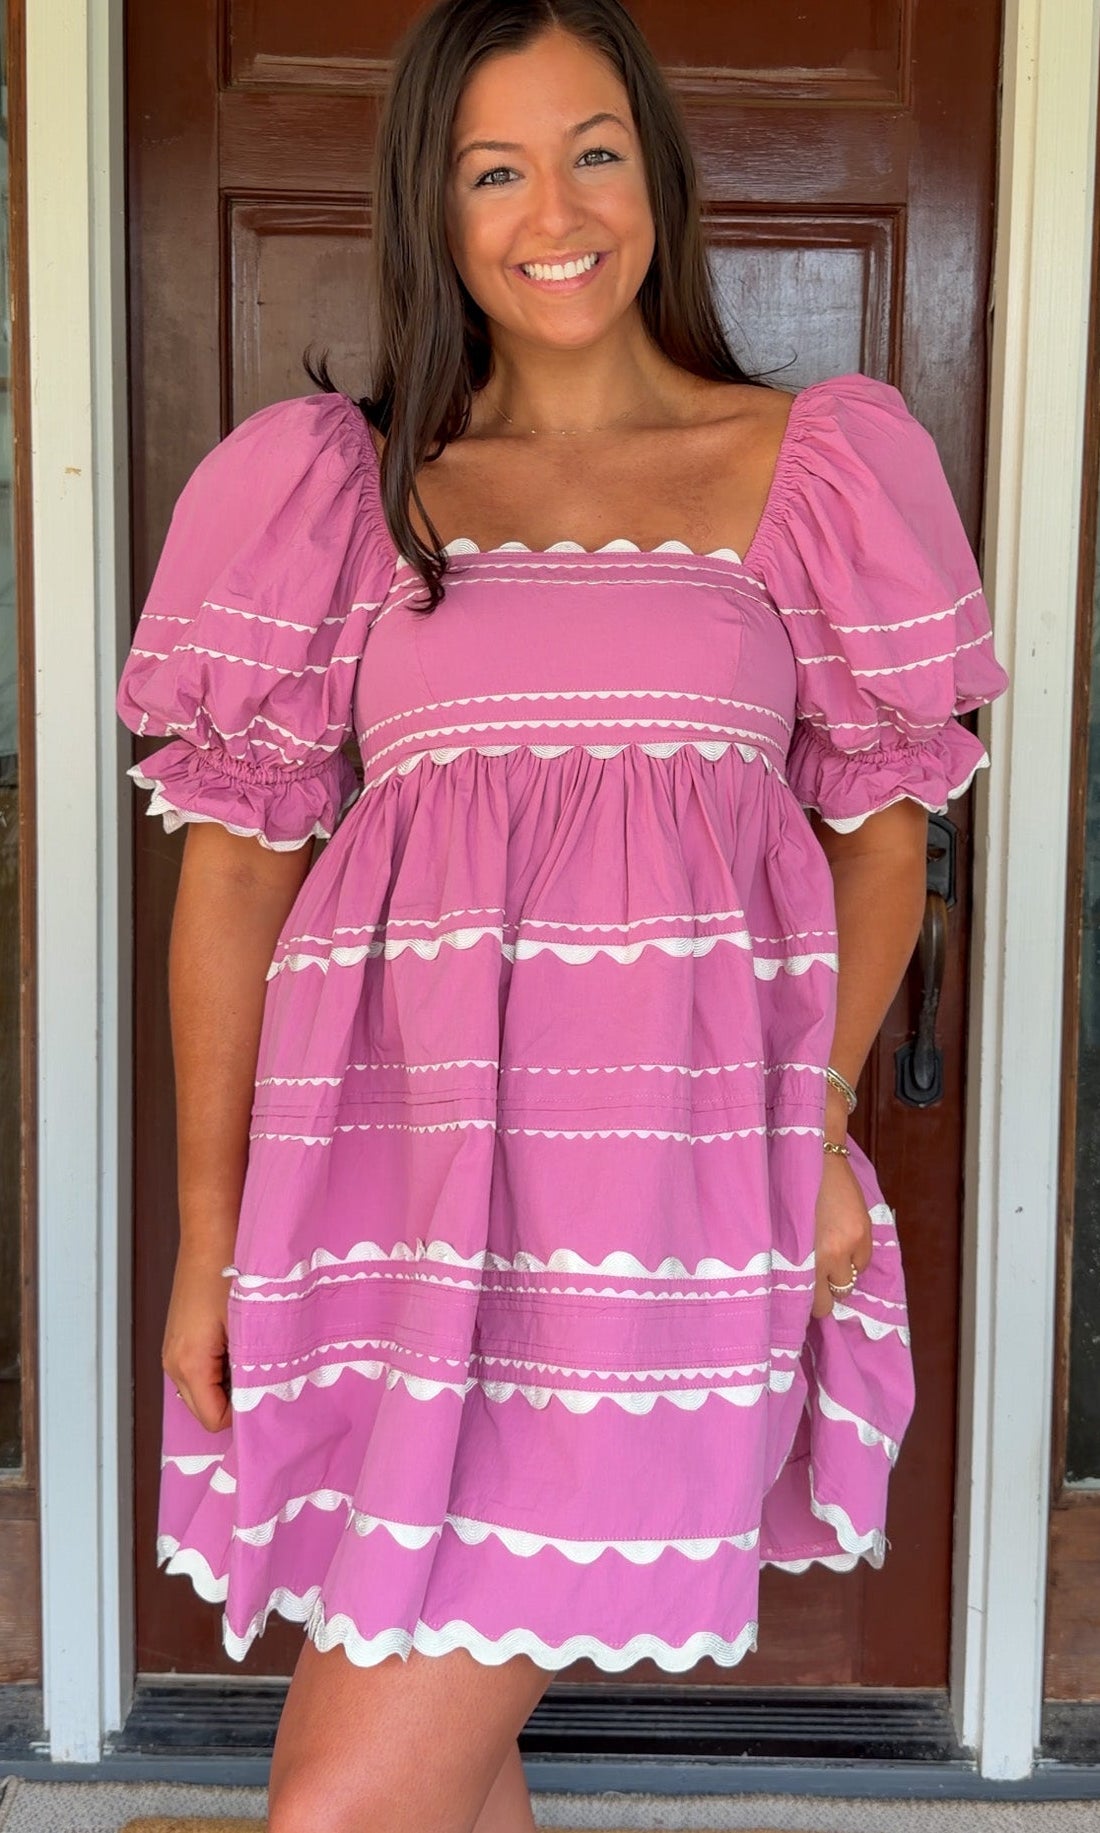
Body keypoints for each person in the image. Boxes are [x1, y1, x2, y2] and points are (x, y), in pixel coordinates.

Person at [116, 1, 1011, 1828]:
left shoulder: (819, 469)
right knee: (441, 1758)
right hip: (393, 1197)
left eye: (594, 151)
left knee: (345, 1799)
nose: (556, 211)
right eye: (494, 170)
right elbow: (234, 872)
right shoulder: (341, 488)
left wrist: (815, 1122)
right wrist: (211, 1239)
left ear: (655, 176)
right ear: (430, 208)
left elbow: (882, 841)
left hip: (666, 1209)